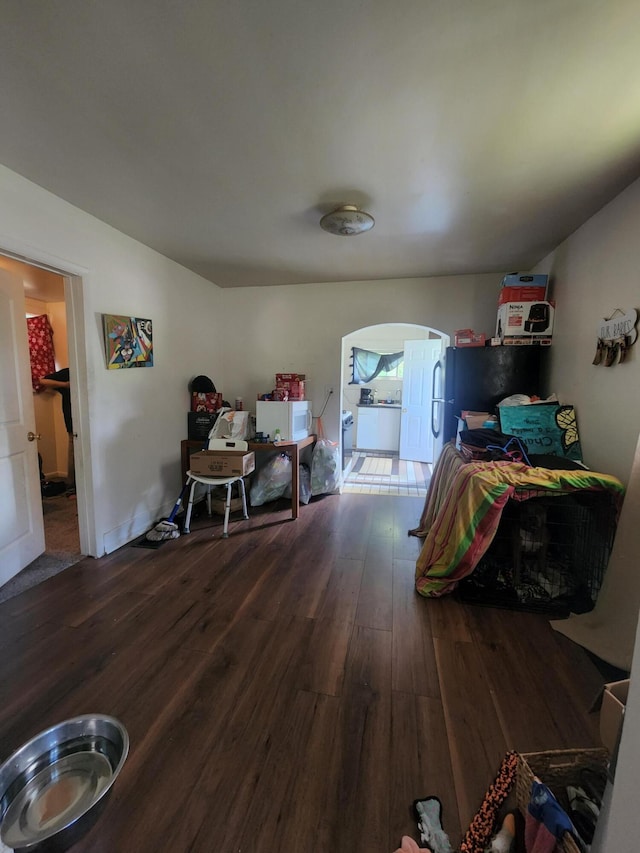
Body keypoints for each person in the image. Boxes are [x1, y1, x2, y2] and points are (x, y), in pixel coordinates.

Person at [39, 367, 75, 495]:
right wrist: (65, 385)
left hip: (89, 418)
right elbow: (43, 381)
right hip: (72, 419)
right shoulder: (68, 373)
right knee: (73, 453)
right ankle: (71, 487)